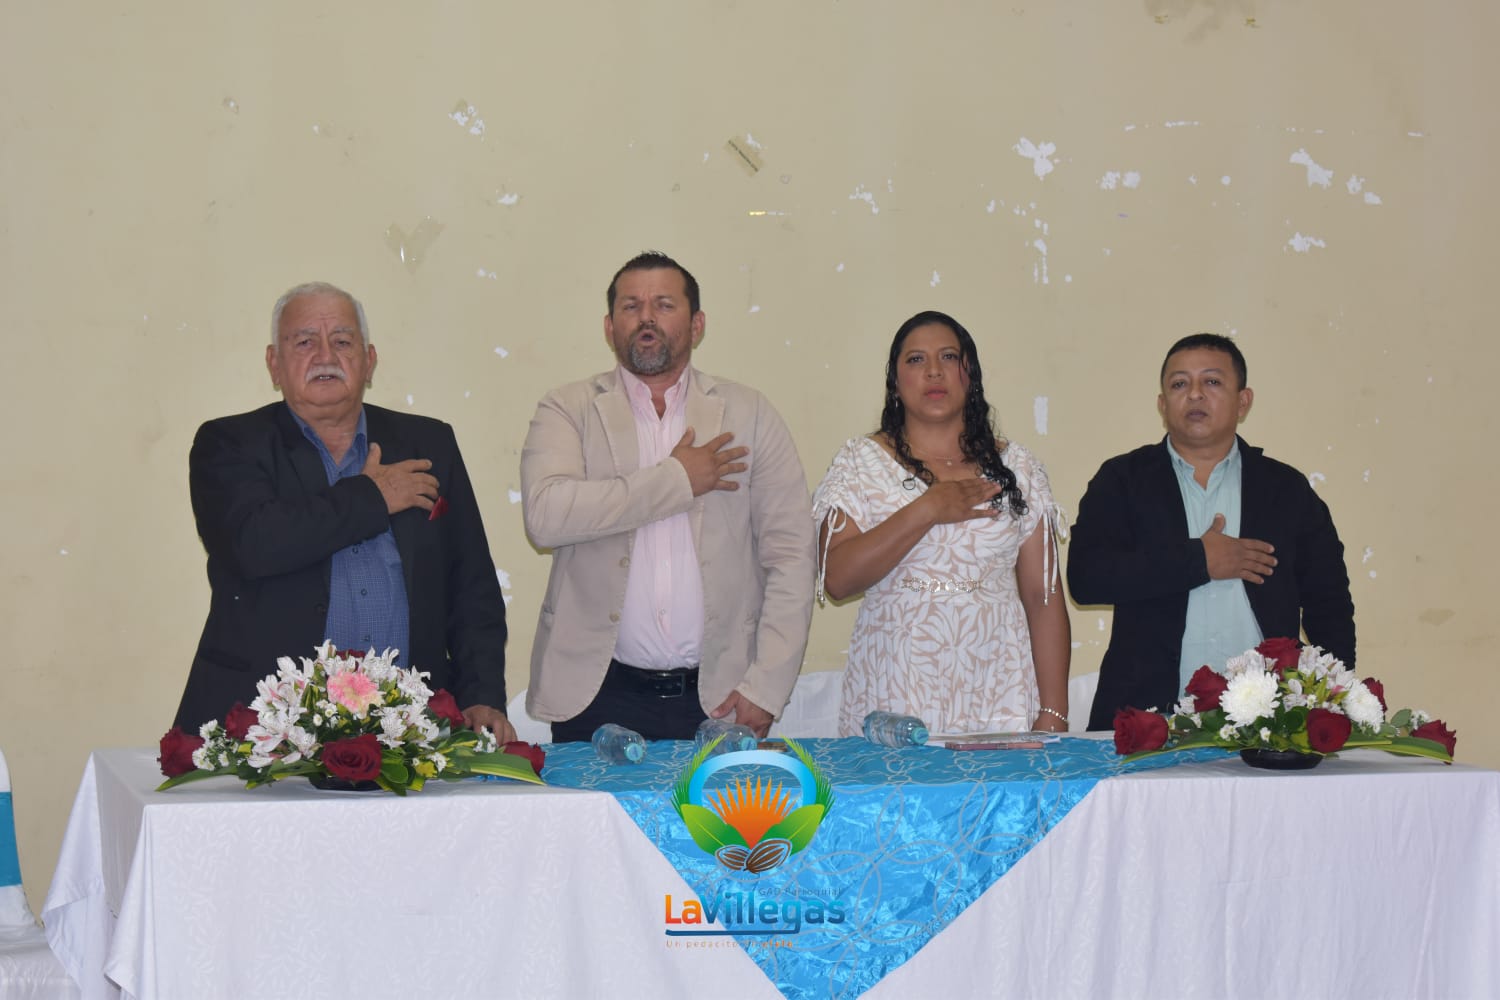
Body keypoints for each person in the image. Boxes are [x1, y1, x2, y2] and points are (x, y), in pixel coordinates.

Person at [174, 282, 515, 741]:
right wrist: (372, 497)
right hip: (263, 727)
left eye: (342, 341)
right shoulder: (230, 444)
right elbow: (253, 544)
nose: (325, 355)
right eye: (304, 342)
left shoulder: (428, 442)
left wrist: (481, 694)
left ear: (369, 360)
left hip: (412, 729)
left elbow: (471, 584)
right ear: (274, 364)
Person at [520, 251, 815, 741]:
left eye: (664, 304)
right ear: (609, 326)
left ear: (697, 325)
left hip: (722, 696)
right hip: (595, 695)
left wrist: (766, 687)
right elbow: (546, 517)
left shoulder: (748, 413)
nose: (646, 318)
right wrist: (678, 479)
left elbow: (791, 554)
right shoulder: (569, 408)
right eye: (630, 306)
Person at [1069, 333, 1355, 729]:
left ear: (1243, 401)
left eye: (1212, 381)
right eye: (1179, 384)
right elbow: (1086, 579)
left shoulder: (1284, 489)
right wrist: (1199, 560)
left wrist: (1333, 700)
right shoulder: (1123, 480)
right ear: (1162, 404)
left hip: (1269, 723)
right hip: (1148, 721)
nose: (1195, 394)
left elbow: (1329, 604)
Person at [812, 311, 1072, 737]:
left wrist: (1054, 712)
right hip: (895, 694)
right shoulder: (859, 463)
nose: (934, 371)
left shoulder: (1018, 467)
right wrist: (928, 508)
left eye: (949, 357)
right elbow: (837, 580)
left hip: (999, 691)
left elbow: (1043, 599)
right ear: (895, 382)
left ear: (971, 375)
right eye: (916, 359)